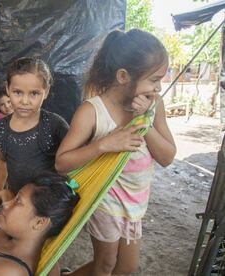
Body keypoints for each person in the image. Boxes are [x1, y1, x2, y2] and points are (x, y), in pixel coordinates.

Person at [55, 29, 176, 275]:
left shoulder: (153, 106)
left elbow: (167, 157)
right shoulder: (92, 111)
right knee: (105, 264)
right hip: (105, 202)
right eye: (154, 80)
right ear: (123, 76)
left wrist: (145, 121)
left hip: (136, 204)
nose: (158, 88)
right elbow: (61, 163)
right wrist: (103, 145)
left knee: (127, 268)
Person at [0, 57, 69, 193]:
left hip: (48, 202)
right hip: (18, 201)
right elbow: (2, 162)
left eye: (34, 93)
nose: (25, 101)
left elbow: (71, 162)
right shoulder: (1, 127)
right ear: (8, 89)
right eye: (18, 92)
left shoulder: (55, 124)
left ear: (46, 92)